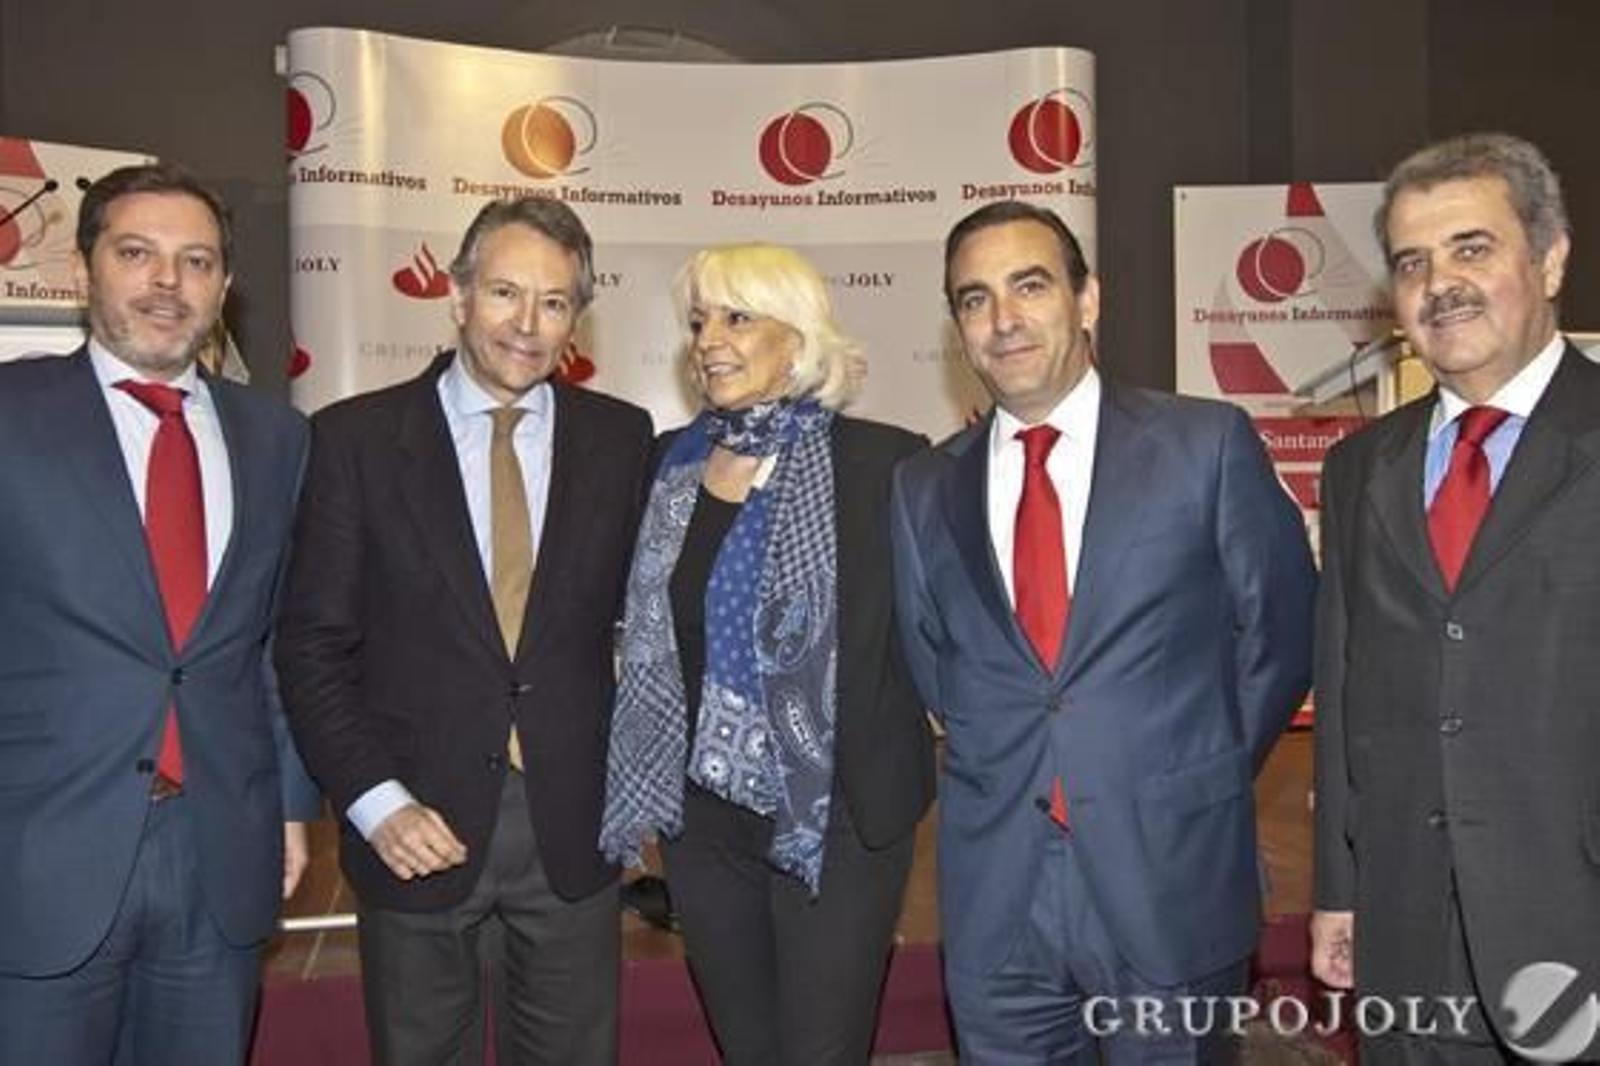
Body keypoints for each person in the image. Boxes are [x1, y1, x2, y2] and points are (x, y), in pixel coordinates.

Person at [891, 200, 1316, 1063]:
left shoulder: (1205, 444)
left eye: (1029, 285)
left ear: (1088, 301)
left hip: (1170, 872)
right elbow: (936, 665)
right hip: (997, 895)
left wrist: (1192, 770)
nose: (1003, 319)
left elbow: (1284, 631)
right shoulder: (922, 488)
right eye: (974, 299)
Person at [275, 197, 652, 1064]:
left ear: (577, 317)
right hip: (415, 823)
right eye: (505, 293)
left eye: (554, 302)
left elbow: (647, 630)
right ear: (457, 295)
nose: (527, 324)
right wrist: (375, 803)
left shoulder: (622, 439)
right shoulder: (354, 440)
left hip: (573, 828)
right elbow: (312, 645)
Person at [0, 162, 318, 1063]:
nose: (167, 283)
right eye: (137, 253)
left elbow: (273, 636)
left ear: (223, 287)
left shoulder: (277, 438)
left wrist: (291, 805)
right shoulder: (10, 415)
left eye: (197, 261)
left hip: (219, 850)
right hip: (37, 854)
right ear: (81, 269)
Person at [600, 242, 936, 1064]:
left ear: (800, 338)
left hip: (839, 814)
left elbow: (939, 633)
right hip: (704, 819)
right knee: (746, 1044)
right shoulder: (668, 462)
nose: (710, 338)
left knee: (821, 1049)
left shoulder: (886, 464)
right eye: (698, 320)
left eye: (737, 317)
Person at [1312, 132, 1597, 1063]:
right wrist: (1338, 890)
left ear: (1550, 259)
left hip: (1573, 922)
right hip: (1404, 929)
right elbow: (1344, 681)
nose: (1441, 283)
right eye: (1411, 262)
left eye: (1471, 248)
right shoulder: (1362, 466)